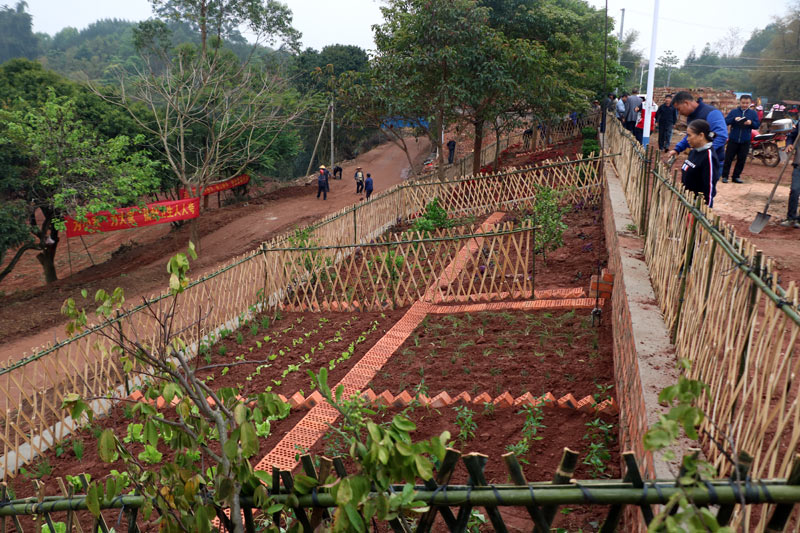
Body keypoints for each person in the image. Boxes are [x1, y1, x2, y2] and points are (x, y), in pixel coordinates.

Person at [667, 91, 728, 182]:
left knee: (704, 191)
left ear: (686, 103)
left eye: (679, 109)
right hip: (696, 160)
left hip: (712, 161)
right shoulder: (691, 117)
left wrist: (704, 153)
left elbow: (721, 136)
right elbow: (690, 136)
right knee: (692, 188)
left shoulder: (711, 113)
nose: (679, 113)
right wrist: (677, 149)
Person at [722, 94, 760, 184]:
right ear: (740, 102)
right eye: (743, 103)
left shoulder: (753, 113)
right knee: (728, 158)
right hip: (733, 139)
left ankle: (736, 177)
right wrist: (734, 119)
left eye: (747, 103)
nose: (745, 105)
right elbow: (725, 121)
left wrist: (750, 122)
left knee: (741, 159)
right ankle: (725, 176)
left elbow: (757, 125)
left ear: (750, 103)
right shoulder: (734, 112)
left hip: (745, 140)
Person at [680, 119, 719, 206]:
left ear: (701, 135)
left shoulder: (709, 157)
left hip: (696, 206)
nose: (687, 139)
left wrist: (704, 211)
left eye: (689, 135)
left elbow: (709, 187)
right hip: (686, 200)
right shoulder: (694, 151)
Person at [782, 122, 800, 228]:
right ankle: (791, 217)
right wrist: (789, 144)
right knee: (794, 190)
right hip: (799, 164)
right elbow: (792, 135)